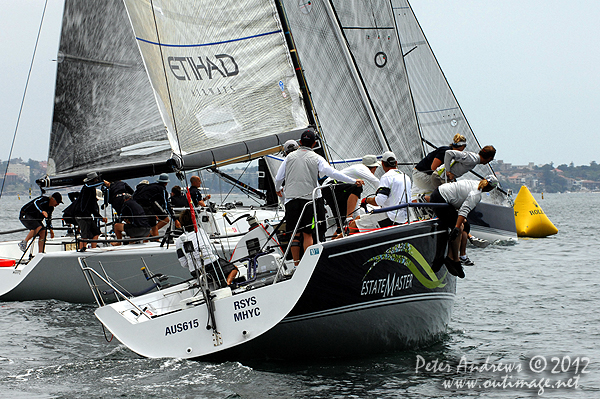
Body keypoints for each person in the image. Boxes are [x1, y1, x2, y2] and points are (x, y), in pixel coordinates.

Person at [274, 128, 364, 265]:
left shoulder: (289, 158)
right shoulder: (317, 158)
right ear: (314, 143)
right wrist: (353, 181)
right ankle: (309, 265)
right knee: (307, 233)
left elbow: (278, 178)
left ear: (300, 142)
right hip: (309, 201)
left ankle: (297, 265)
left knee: (295, 234)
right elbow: (332, 173)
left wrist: (278, 189)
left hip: (291, 200)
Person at [428, 175, 499, 278]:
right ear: (491, 188)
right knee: (459, 228)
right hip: (440, 198)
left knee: (465, 227)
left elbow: (460, 202)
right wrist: (456, 227)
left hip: (443, 196)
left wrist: (458, 224)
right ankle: (454, 260)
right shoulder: (476, 194)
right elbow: (464, 210)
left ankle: (458, 256)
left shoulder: (475, 184)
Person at [175, 209, 238, 287]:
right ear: (195, 221)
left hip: (195, 271)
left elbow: (184, 264)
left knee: (214, 274)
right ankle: (227, 284)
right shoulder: (202, 232)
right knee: (234, 269)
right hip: (211, 264)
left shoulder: (178, 241)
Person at [351, 151, 411, 232]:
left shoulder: (386, 177)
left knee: (354, 225)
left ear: (382, 163)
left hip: (390, 217)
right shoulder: (406, 176)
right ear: (396, 163)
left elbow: (379, 201)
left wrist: (366, 200)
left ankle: (332, 243)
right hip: (404, 218)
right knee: (359, 218)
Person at [322, 154, 380, 236]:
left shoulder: (357, 174)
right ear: (374, 167)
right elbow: (375, 181)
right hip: (331, 187)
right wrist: (384, 197)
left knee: (341, 226)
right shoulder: (362, 168)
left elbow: (355, 204)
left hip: (331, 190)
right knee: (357, 187)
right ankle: (349, 217)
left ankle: (330, 245)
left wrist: (357, 220)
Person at [412, 134, 467, 201]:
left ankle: (426, 201)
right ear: (462, 147)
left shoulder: (452, 154)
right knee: (448, 192)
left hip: (422, 176)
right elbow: (433, 167)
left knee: (447, 189)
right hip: (421, 175)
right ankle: (423, 199)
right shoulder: (445, 152)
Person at [432, 145, 496, 187]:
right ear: (489, 158)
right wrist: (448, 171)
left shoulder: (474, 160)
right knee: (447, 199)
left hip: (442, 177)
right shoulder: (472, 159)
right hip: (440, 177)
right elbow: (448, 153)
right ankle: (424, 199)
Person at [75, 172, 108, 250]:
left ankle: (93, 249)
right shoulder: (86, 187)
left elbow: (93, 208)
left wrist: (100, 218)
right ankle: (82, 249)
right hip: (81, 215)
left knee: (96, 232)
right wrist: (103, 182)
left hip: (88, 215)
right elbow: (89, 185)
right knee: (84, 234)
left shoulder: (92, 190)